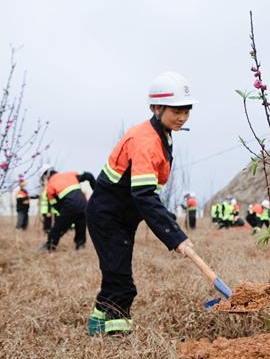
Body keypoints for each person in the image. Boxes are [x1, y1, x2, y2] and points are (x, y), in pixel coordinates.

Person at [86, 72, 231, 336]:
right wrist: (175, 236)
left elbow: (145, 195)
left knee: (114, 270)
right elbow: (144, 195)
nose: (182, 117)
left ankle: (97, 323)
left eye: (186, 110)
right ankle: (117, 335)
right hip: (107, 216)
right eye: (177, 110)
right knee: (121, 282)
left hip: (120, 216)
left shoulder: (162, 133)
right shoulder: (146, 142)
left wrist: (173, 234)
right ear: (156, 107)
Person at [40, 165, 95, 251]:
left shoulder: (50, 187)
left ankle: (49, 246)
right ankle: (80, 246)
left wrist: (64, 218)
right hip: (83, 204)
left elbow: (56, 206)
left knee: (58, 227)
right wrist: (95, 190)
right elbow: (89, 175)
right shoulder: (70, 174)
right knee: (80, 225)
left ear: (45, 176)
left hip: (69, 206)